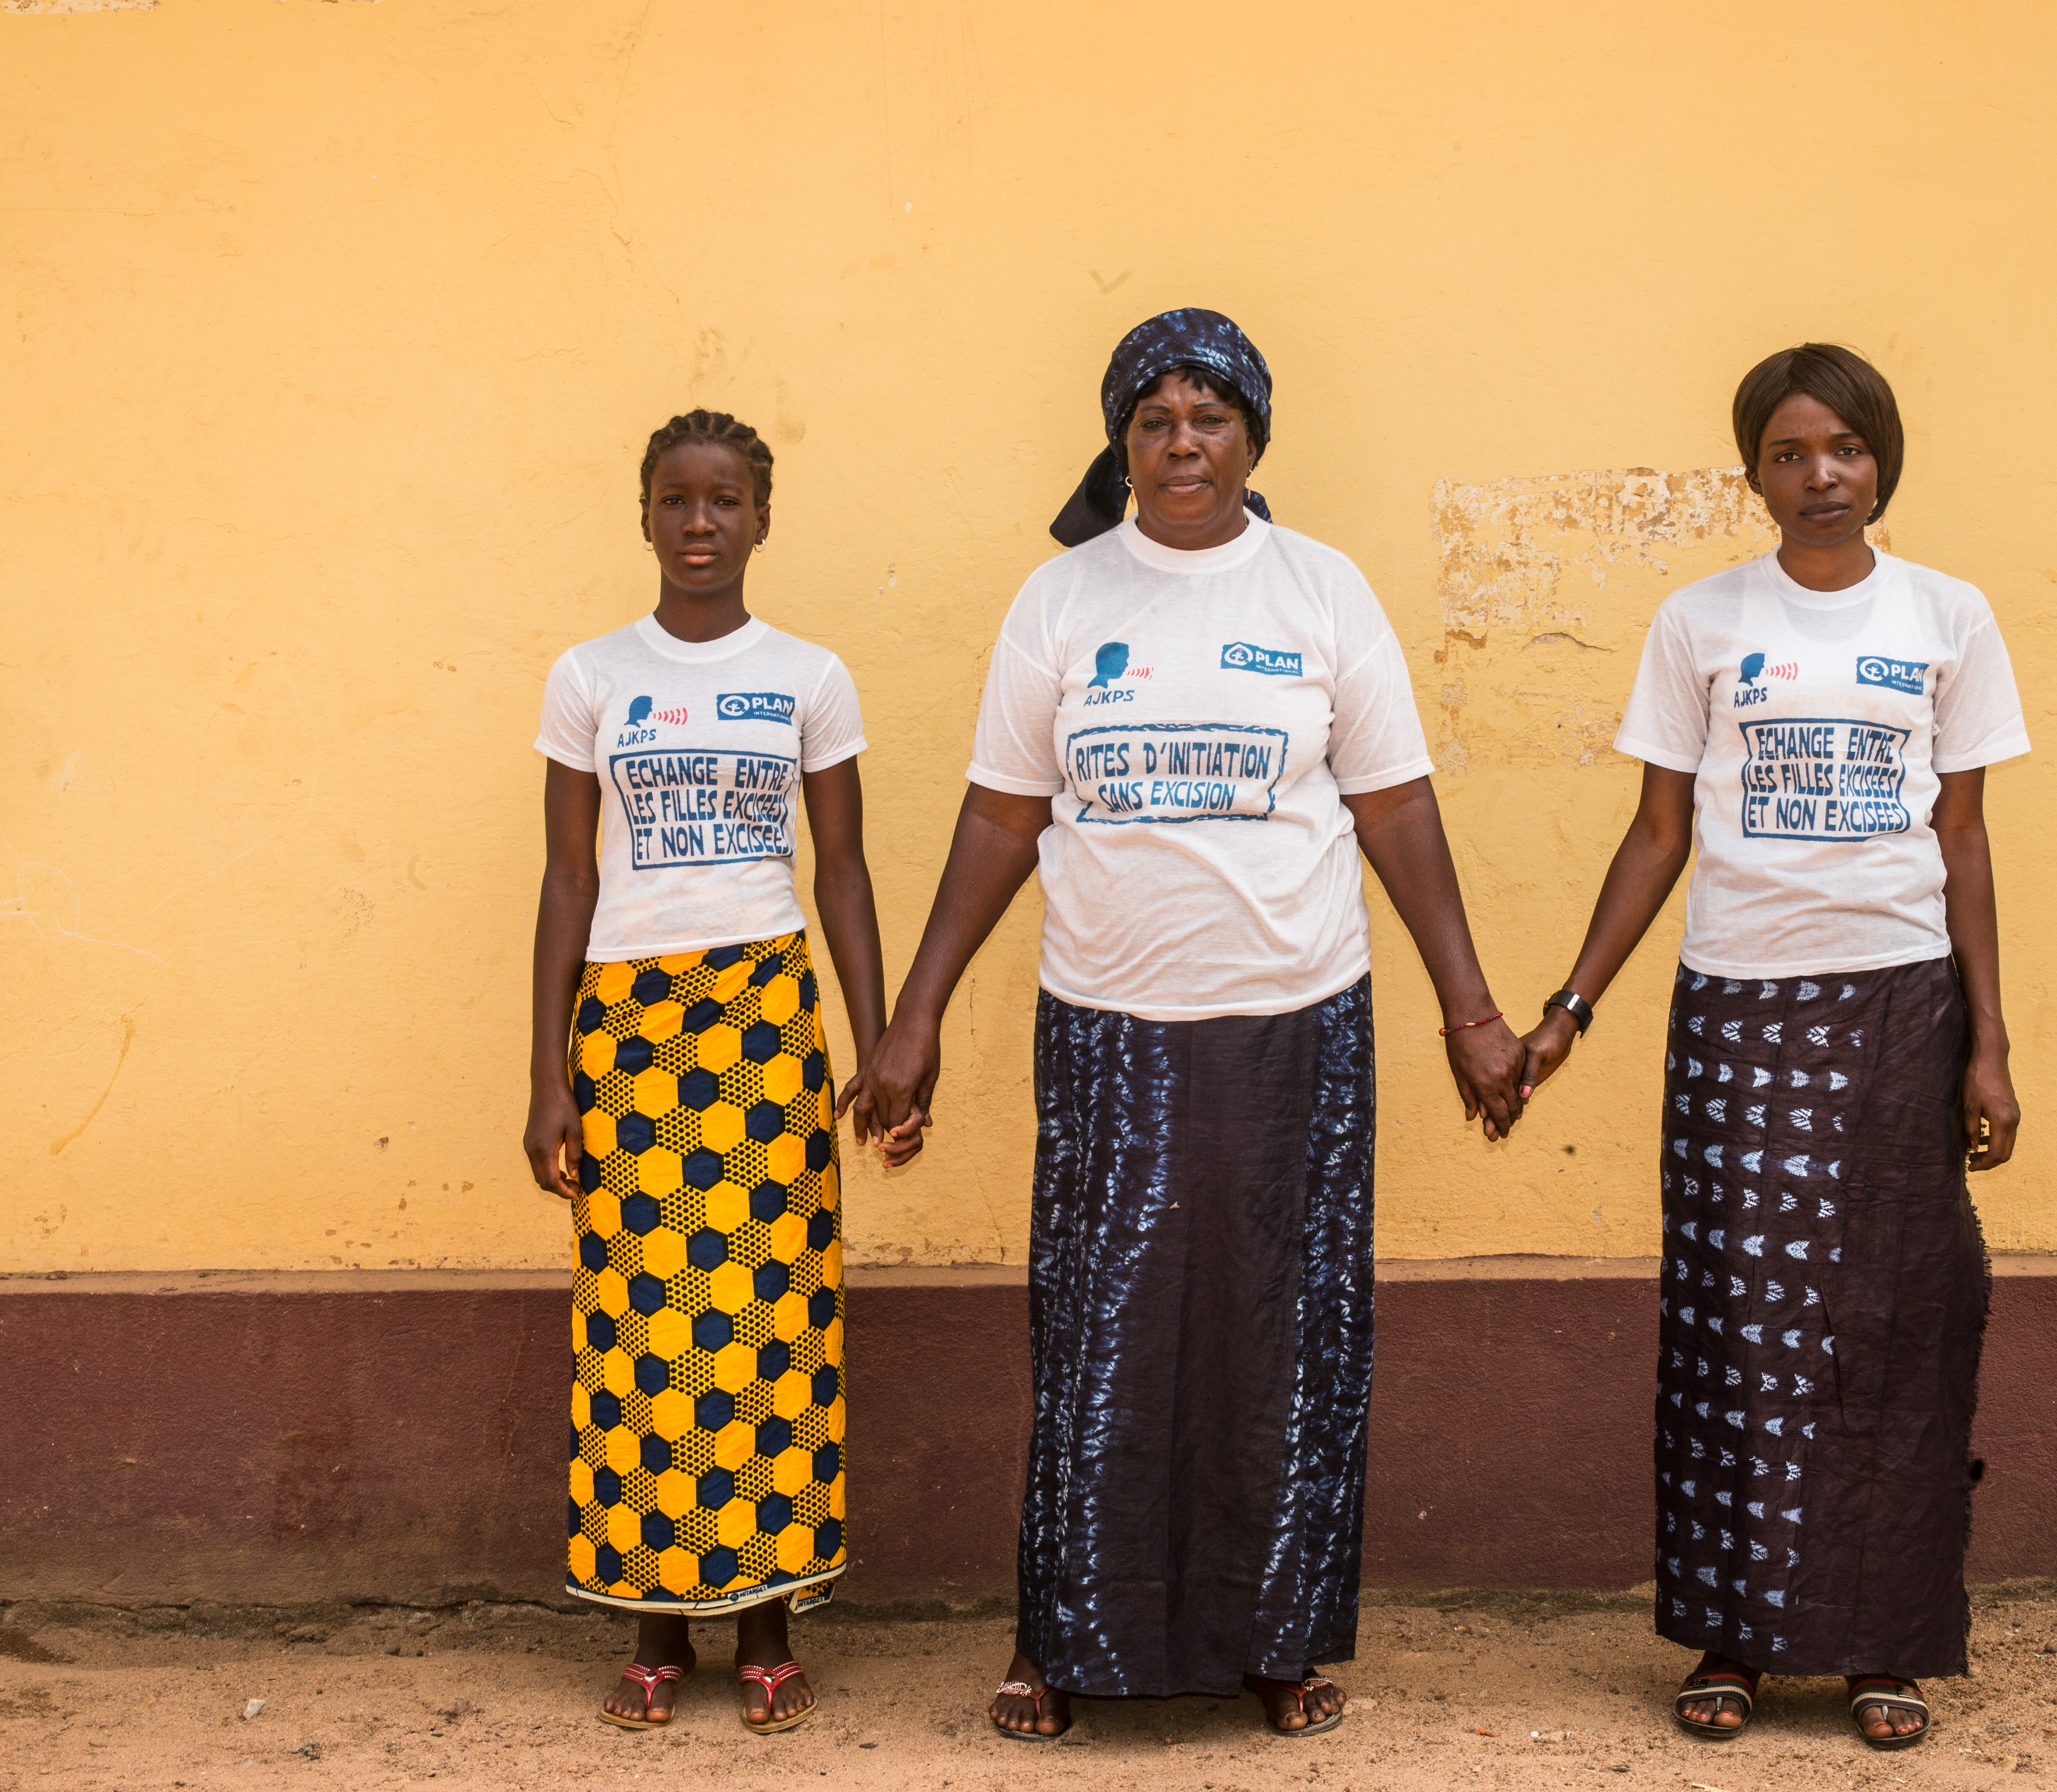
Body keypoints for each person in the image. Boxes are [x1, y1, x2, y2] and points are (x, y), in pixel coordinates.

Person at [853, 309, 1529, 1742]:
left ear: (1253, 438)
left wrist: (1469, 1007)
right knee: (1101, 1334)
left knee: (1286, 1335)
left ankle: (1274, 1644)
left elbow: (1397, 806)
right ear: (1121, 442)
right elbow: (1000, 816)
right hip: (1111, 1029)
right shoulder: (1063, 601)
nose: (1181, 445)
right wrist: (915, 1018)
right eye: (1154, 420)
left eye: (1208, 418)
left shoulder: (1323, 592)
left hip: (1297, 1024)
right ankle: (1064, 1647)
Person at [1516, 344, 2026, 1751]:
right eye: (1792, 454)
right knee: (1739, 1331)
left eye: (1846, 451)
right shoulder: (1700, 621)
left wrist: (1988, 1046)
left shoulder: (1948, 617)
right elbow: (1659, 834)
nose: (1821, 478)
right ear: (1753, 472)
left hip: (1902, 1007)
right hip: (1740, 1012)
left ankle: (1886, 1645)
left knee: (1899, 1329)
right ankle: (1734, 1639)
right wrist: (1570, 1007)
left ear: (1884, 461)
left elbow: (1964, 838)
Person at [523, 409, 917, 1734]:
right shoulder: (590, 677)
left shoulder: (808, 676)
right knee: (641, 1331)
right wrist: (545, 1079)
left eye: (727, 501)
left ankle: (762, 1623)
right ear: (643, 515)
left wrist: (880, 1046)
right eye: (678, 501)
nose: (702, 523)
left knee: (764, 1324)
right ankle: (653, 1629)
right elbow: (569, 876)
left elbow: (843, 871)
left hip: (761, 1022)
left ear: (761, 519)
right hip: (629, 1033)